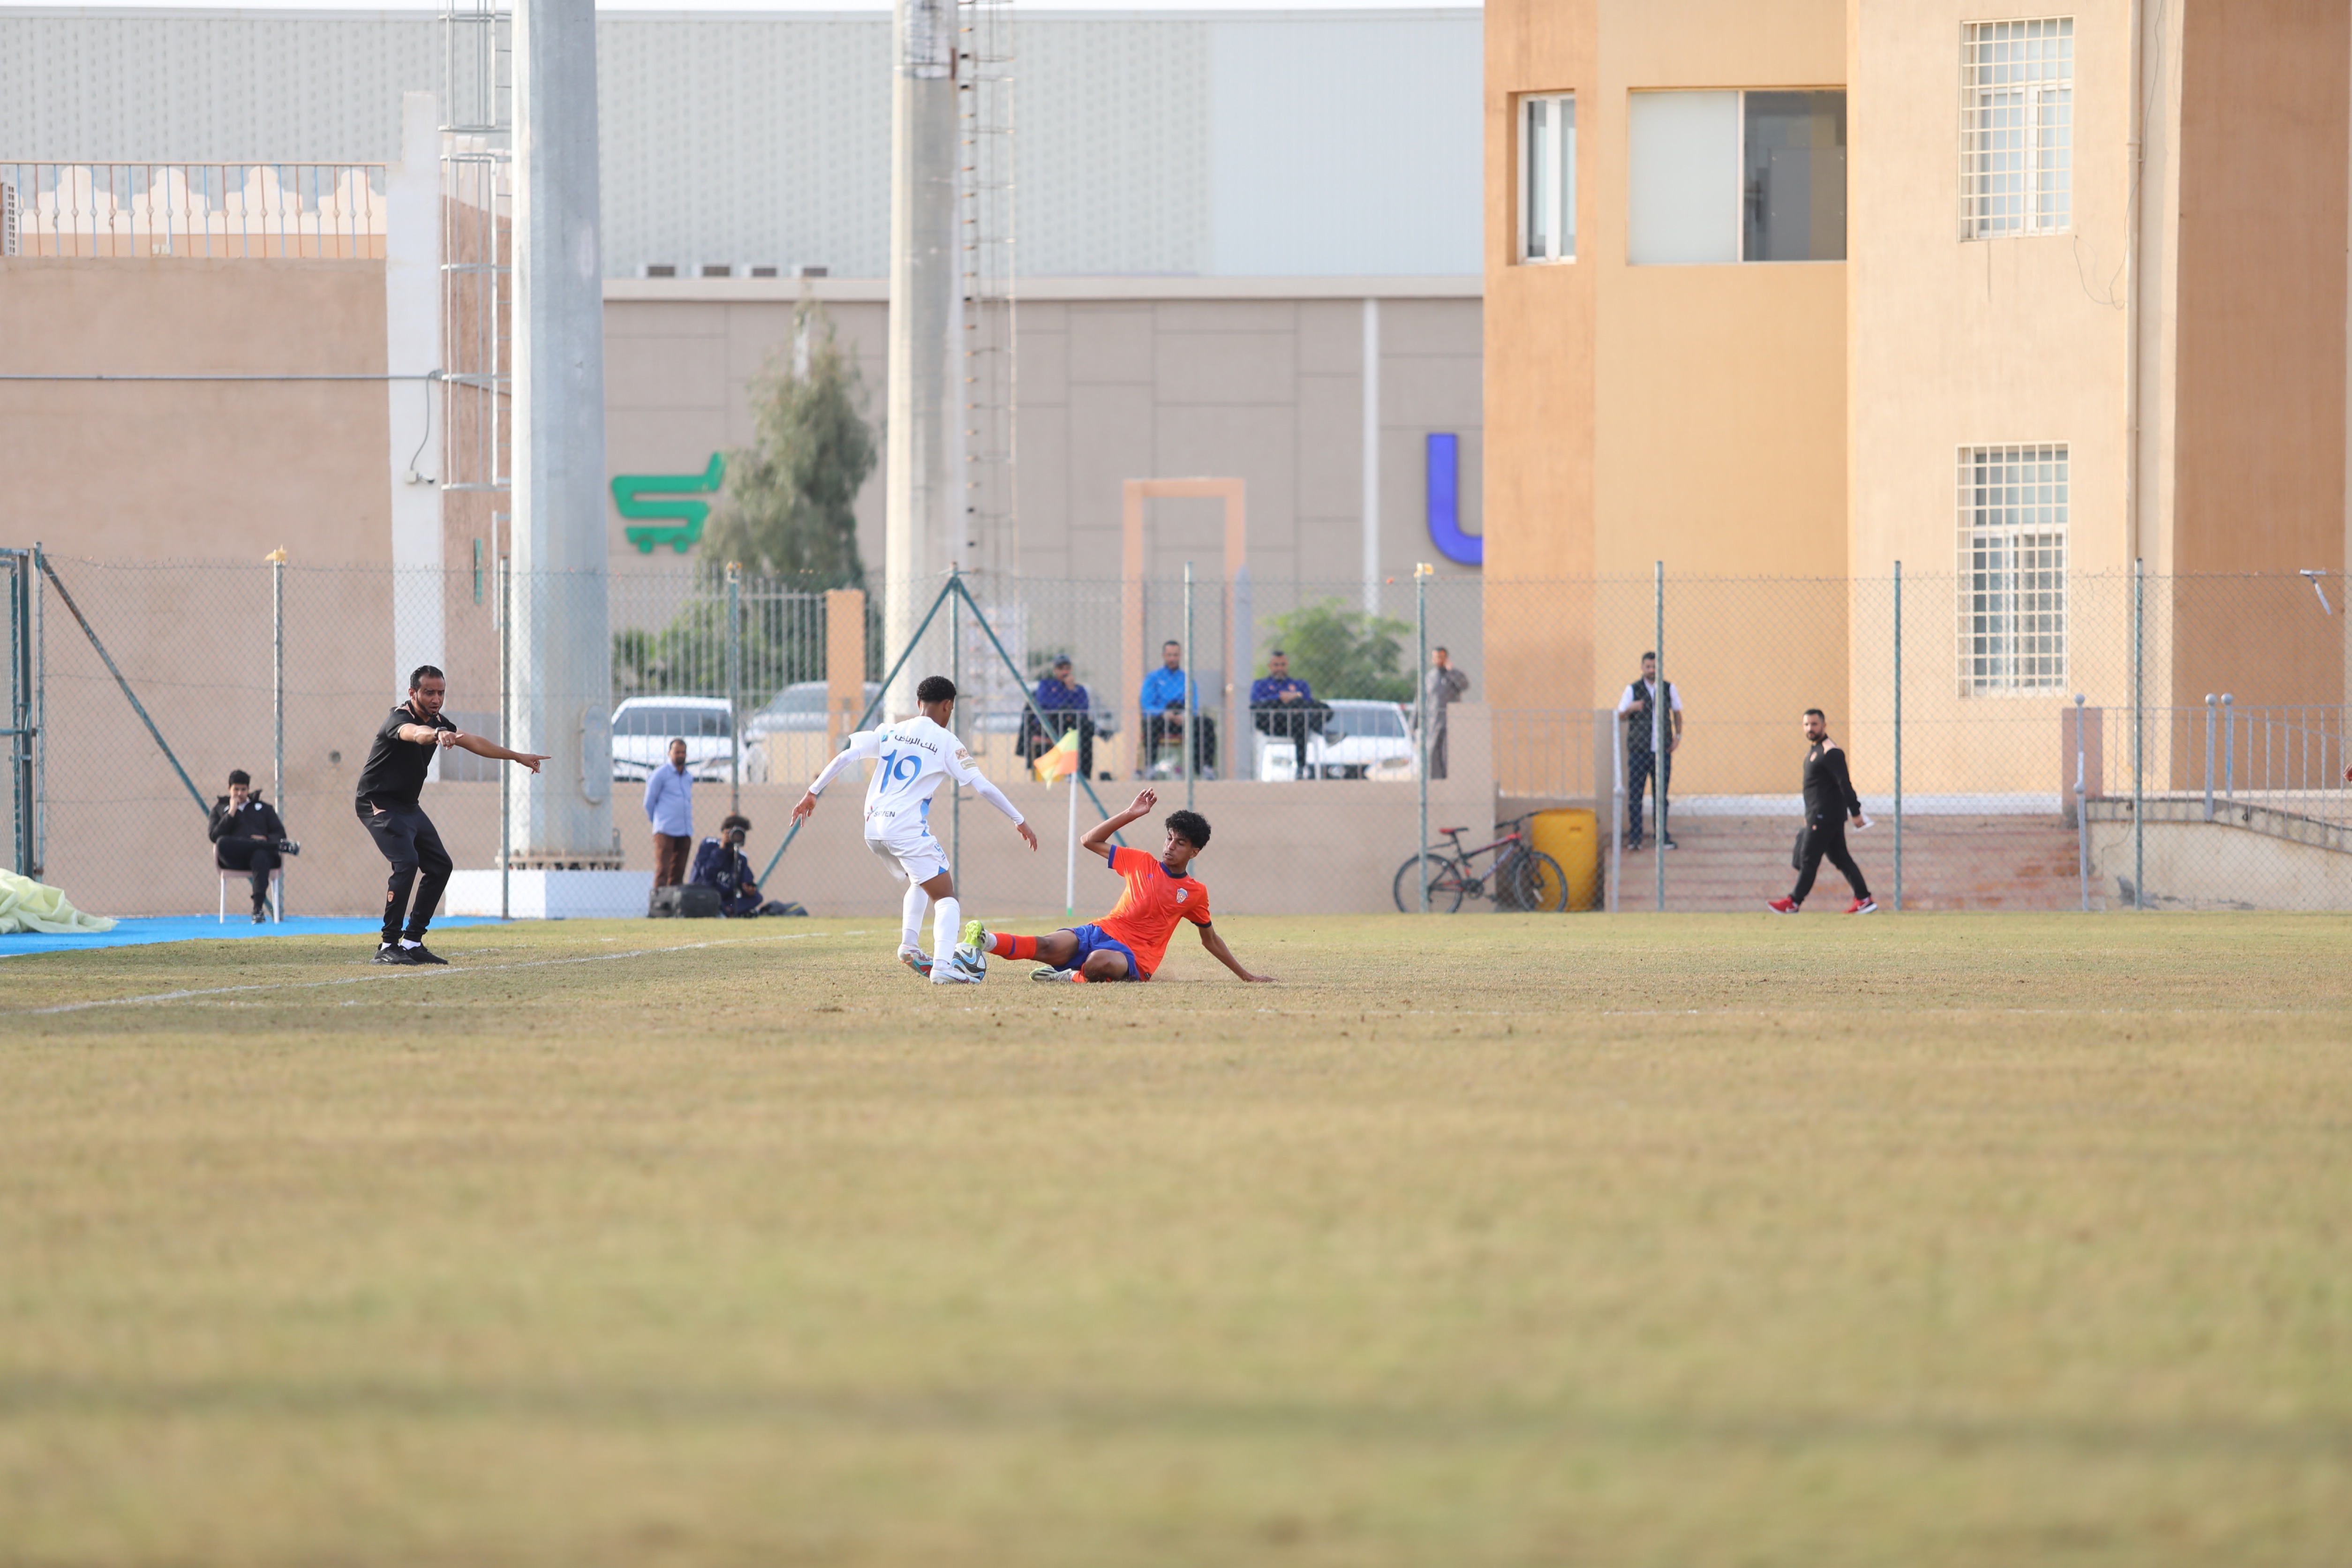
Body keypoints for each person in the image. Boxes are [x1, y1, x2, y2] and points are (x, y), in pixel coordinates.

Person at [792, 674, 1039, 984]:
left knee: (921, 881)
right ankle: (943, 967)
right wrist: (1019, 820)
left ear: (919, 704)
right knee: (947, 897)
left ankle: (910, 945)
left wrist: (813, 792)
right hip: (905, 827)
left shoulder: (890, 730)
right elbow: (983, 787)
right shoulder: (948, 743)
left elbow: (848, 755)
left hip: (873, 826)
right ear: (949, 706)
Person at [956, 788, 1272, 984]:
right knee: (1048, 946)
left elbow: (1211, 940)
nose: (1170, 846)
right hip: (1101, 931)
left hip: (1135, 957)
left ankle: (1071, 977)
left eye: (1180, 843)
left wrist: (1247, 976)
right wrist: (1130, 814)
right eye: (1169, 838)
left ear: (1195, 852)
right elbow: (1089, 840)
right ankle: (985, 941)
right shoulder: (1140, 861)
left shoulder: (1194, 892)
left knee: (1099, 963)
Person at [356, 665, 550, 965]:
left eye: (441, 693)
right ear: (413, 693)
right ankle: (387, 946)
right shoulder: (399, 719)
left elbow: (473, 741)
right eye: (429, 692)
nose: (436, 699)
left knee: (440, 866)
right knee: (407, 862)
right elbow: (414, 734)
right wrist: (435, 734)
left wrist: (517, 756)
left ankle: (412, 942)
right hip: (377, 803)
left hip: (408, 806)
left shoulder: (441, 722)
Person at [1769, 708, 1877, 915]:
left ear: (1824, 726)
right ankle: (1864, 899)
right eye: (1807, 725)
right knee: (1841, 858)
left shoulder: (1831, 751)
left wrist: (1856, 812)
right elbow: (1817, 789)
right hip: (1819, 816)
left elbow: (1844, 784)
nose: (1810, 728)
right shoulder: (1814, 751)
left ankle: (1794, 902)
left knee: (1809, 859)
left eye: (1815, 724)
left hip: (1824, 817)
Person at [1616, 651, 1682, 850]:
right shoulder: (1632, 690)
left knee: (1660, 796)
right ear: (1642, 668)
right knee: (1635, 795)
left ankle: (1661, 836)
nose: (1652, 670)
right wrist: (1631, 709)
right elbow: (1620, 715)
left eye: (1654, 667)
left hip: (1662, 751)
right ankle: (1635, 838)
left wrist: (1678, 736)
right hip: (1638, 751)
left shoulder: (1668, 688)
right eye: (1648, 667)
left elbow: (1678, 713)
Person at [210, 769, 287, 922]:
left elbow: (280, 834)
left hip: (262, 859)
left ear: (248, 789)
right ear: (229, 789)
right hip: (233, 859)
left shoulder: (264, 809)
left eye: (243, 789)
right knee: (222, 842)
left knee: (260, 854)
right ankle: (261, 845)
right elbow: (214, 836)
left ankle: (258, 909)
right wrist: (231, 812)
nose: (239, 793)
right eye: (236, 789)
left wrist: (265, 838)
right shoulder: (220, 809)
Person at [1138, 640, 1214, 777]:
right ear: (1164, 656)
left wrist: (1186, 715)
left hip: (1183, 719)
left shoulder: (1187, 679)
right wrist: (1163, 713)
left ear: (1180, 656)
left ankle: (1205, 768)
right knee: (1150, 723)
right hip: (1162, 719)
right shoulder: (1153, 678)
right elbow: (1147, 704)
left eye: (1176, 655)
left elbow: (1194, 703)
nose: (1173, 659)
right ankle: (1151, 767)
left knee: (1206, 724)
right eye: (1169, 655)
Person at [1250, 650, 1329, 779]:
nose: (1280, 668)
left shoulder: (1300, 684)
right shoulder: (1260, 685)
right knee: (1297, 709)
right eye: (1276, 665)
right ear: (1270, 667)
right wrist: (1280, 698)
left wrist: (1295, 697)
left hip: (1297, 724)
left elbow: (1310, 702)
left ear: (1287, 666)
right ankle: (1325, 733)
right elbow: (1256, 703)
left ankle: (1301, 769)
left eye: (1283, 665)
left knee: (1310, 714)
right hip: (1274, 724)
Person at [689, 813, 782, 917]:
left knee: (757, 897)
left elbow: (745, 881)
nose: (737, 837)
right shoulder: (709, 845)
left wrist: (749, 890)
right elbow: (707, 875)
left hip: (723, 900)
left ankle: (724, 911)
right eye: (734, 833)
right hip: (703, 893)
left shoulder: (740, 857)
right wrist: (722, 849)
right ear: (725, 832)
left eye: (741, 834)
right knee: (706, 889)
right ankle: (722, 912)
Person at [1024, 655, 1096, 779]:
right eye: (1061, 668)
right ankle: (1069, 770)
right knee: (1068, 716)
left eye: (1067, 668)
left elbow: (1083, 708)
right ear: (1055, 670)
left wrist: (1071, 690)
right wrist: (1066, 707)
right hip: (1051, 723)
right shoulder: (1046, 685)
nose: (1064, 671)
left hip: (1073, 723)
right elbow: (1045, 704)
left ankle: (1084, 775)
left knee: (1084, 731)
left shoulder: (1078, 689)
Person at [644, 737, 694, 887]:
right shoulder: (660, 774)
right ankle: (659, 906)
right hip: (666, 830)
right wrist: (659, 822)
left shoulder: (688, 777)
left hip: (685, 830)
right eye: (677, 752)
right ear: (669, 753)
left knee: (678, 872)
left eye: (683, 753)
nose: (680, 756)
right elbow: (649, 802)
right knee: (663, 872)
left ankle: (675, 905)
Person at [1422, 647, 1470, 780]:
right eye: (1437, 658)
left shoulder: (1455, 674)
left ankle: (1450, 779)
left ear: (1447, 658)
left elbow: (1465, 686)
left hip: (1451, 720)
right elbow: (1421, 699)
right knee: (1433, 751)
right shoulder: (1430, 677)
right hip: (1434, 720)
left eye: (1442, 657)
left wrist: (1452, 672)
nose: (1439, 660)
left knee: (1449, 752)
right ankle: (1435, 781)